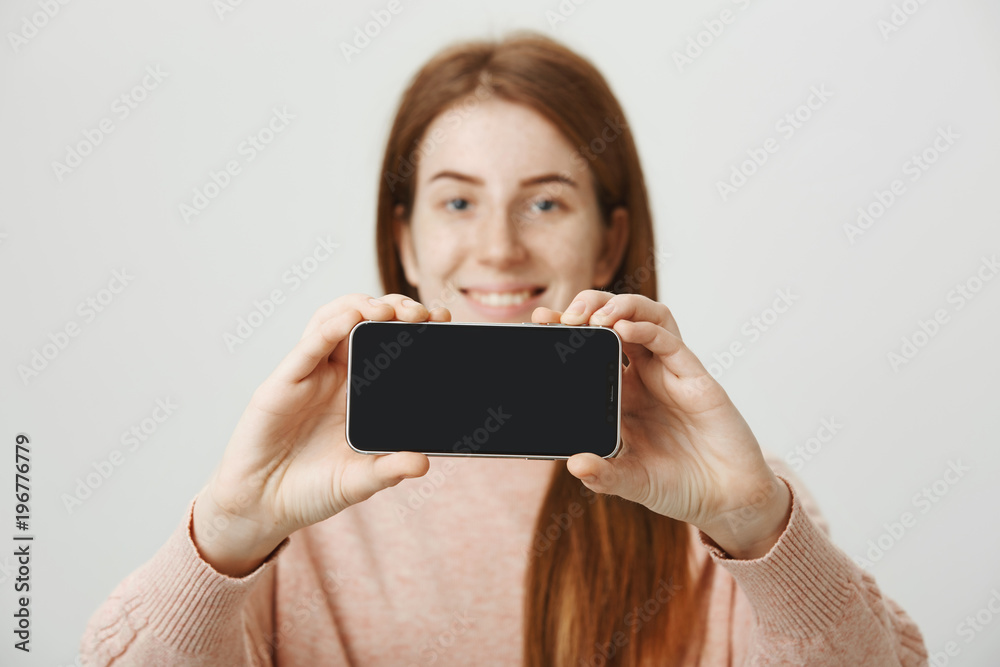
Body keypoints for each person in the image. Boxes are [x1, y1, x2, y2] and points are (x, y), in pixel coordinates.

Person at [80, 31, 929, 666]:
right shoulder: (301, 506)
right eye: (456, 203)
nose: (498, 250)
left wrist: (756, 528)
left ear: (609, 241)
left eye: (546, 203)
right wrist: (228, 529)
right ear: (404, 239)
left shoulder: (726, 509)